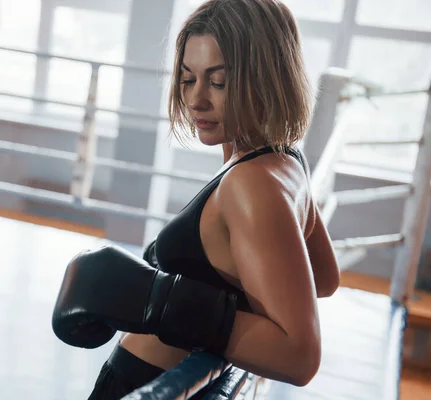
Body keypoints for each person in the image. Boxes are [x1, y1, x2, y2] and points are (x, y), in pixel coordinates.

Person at [52, 0, 340, 399]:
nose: (196, 99)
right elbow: (323, 279)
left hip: (152, 385)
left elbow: (299, 357)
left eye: (218, 82)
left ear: (266, 77)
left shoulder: (251, 184)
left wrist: (157, 299)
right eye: (188, 79)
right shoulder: (283, 157)